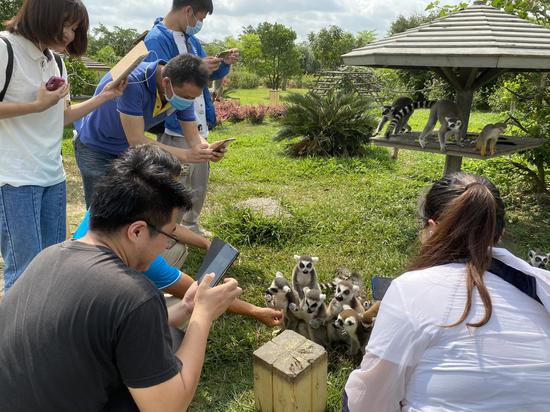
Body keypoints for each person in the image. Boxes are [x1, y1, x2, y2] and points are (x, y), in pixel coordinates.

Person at [0, 145, 242, 411]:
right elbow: (167, 407)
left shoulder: (49, 256)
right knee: (169, 357)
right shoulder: (133, 295)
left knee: (167, 336)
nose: (166, 246)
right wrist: (202, 316)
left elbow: (111, 330)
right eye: (170, 235)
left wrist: (186, 308)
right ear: (137, 231)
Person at [344, 173, 550, 412]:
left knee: (354, 396)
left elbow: (368, 402)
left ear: (431, 228)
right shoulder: (542, 284)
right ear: (499, 234)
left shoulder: (412, 289)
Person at [0, 0, 127, 291]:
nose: (70, 35)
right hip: (14, 179)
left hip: (52, 176)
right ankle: (18, 336)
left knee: (52, 264)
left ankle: (47, 332)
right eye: (67, 25)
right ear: (43, 14)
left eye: (75, 28)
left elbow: (63, 115)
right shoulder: (5, 48)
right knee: (24, 273)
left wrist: (104, 96)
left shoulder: (55, 60)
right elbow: (40, 107)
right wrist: (35, 105)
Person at [74, 53, 225, 207]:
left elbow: (192, 135)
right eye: (186, 96)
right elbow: (137, 140)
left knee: (128, 207)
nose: (189, 101)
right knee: (100, 209)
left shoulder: (180, 92)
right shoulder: (133, 81)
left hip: (125, 150)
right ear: (166, 82)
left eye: (193, 97)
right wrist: (186, 155)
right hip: (95, 146)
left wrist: (206, 148)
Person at [144, 0, 239, 235]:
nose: (200, 24)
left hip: (197, 119)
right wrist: (198, 66)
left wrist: (222, 65)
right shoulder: (156, 39)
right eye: (201, 17)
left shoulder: (191, 40)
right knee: (176, 182)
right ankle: (169, 229)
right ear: (188, 11)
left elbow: (202, 76)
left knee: (198, 183)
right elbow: (160, 79)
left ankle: (191, 225)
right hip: (175, 125)